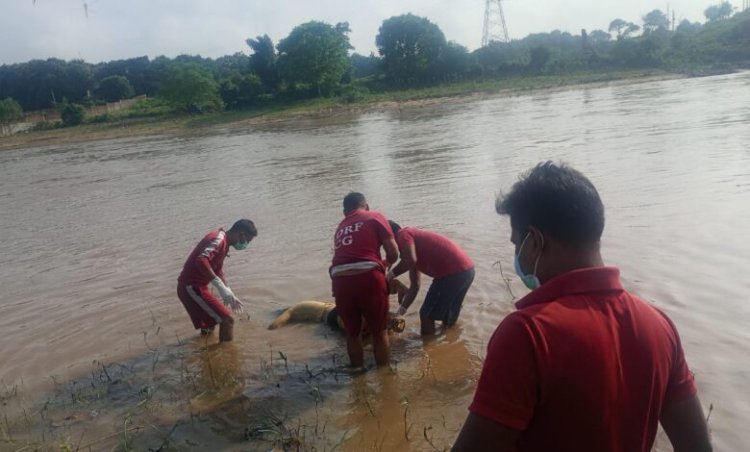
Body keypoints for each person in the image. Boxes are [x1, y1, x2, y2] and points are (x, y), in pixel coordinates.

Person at [453, 162, 711, 452]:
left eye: (517, 244)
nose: (517, 256)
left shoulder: (528, 335)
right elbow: (698, 447)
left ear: (536, 241)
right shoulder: (659, 326)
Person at [330, 192, 399, 369]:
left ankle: (357, 374)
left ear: (345, 212)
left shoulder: (341, 226)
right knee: (379, 331)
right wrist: (384, 265)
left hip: (339, 280)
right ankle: (385, 377)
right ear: (366, 206)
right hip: (368, 277)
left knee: (352, 334)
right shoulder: (374, 216)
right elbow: (394, 253)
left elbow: (343, 258)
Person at [386, 221, 475, 336]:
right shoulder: (411, 249)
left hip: (452, 274)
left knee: (426, 315)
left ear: (390, 237)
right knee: (448, 317)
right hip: (467, 271)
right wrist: (401, 311)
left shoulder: (403, 233)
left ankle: (427, 348)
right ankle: (449, 343)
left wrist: (389, 276)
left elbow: (410, 260)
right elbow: (415, 285)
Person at [177, 219, 257, 343]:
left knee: (209, 325)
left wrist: (228, 292)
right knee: (227, 320)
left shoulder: (224, 244)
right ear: (241, 234)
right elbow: (201, 260)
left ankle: (209, 356)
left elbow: (218, 270)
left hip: (196, 287)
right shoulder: (218, 239)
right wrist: (219, 286)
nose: (245, 244)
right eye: (247, 241)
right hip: (191, 287)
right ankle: (227, 358)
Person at [267, 279, 409, 333]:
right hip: (330, 313)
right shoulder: (299, 308)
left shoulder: (300, 307)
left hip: (331, 312)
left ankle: (387, 322)